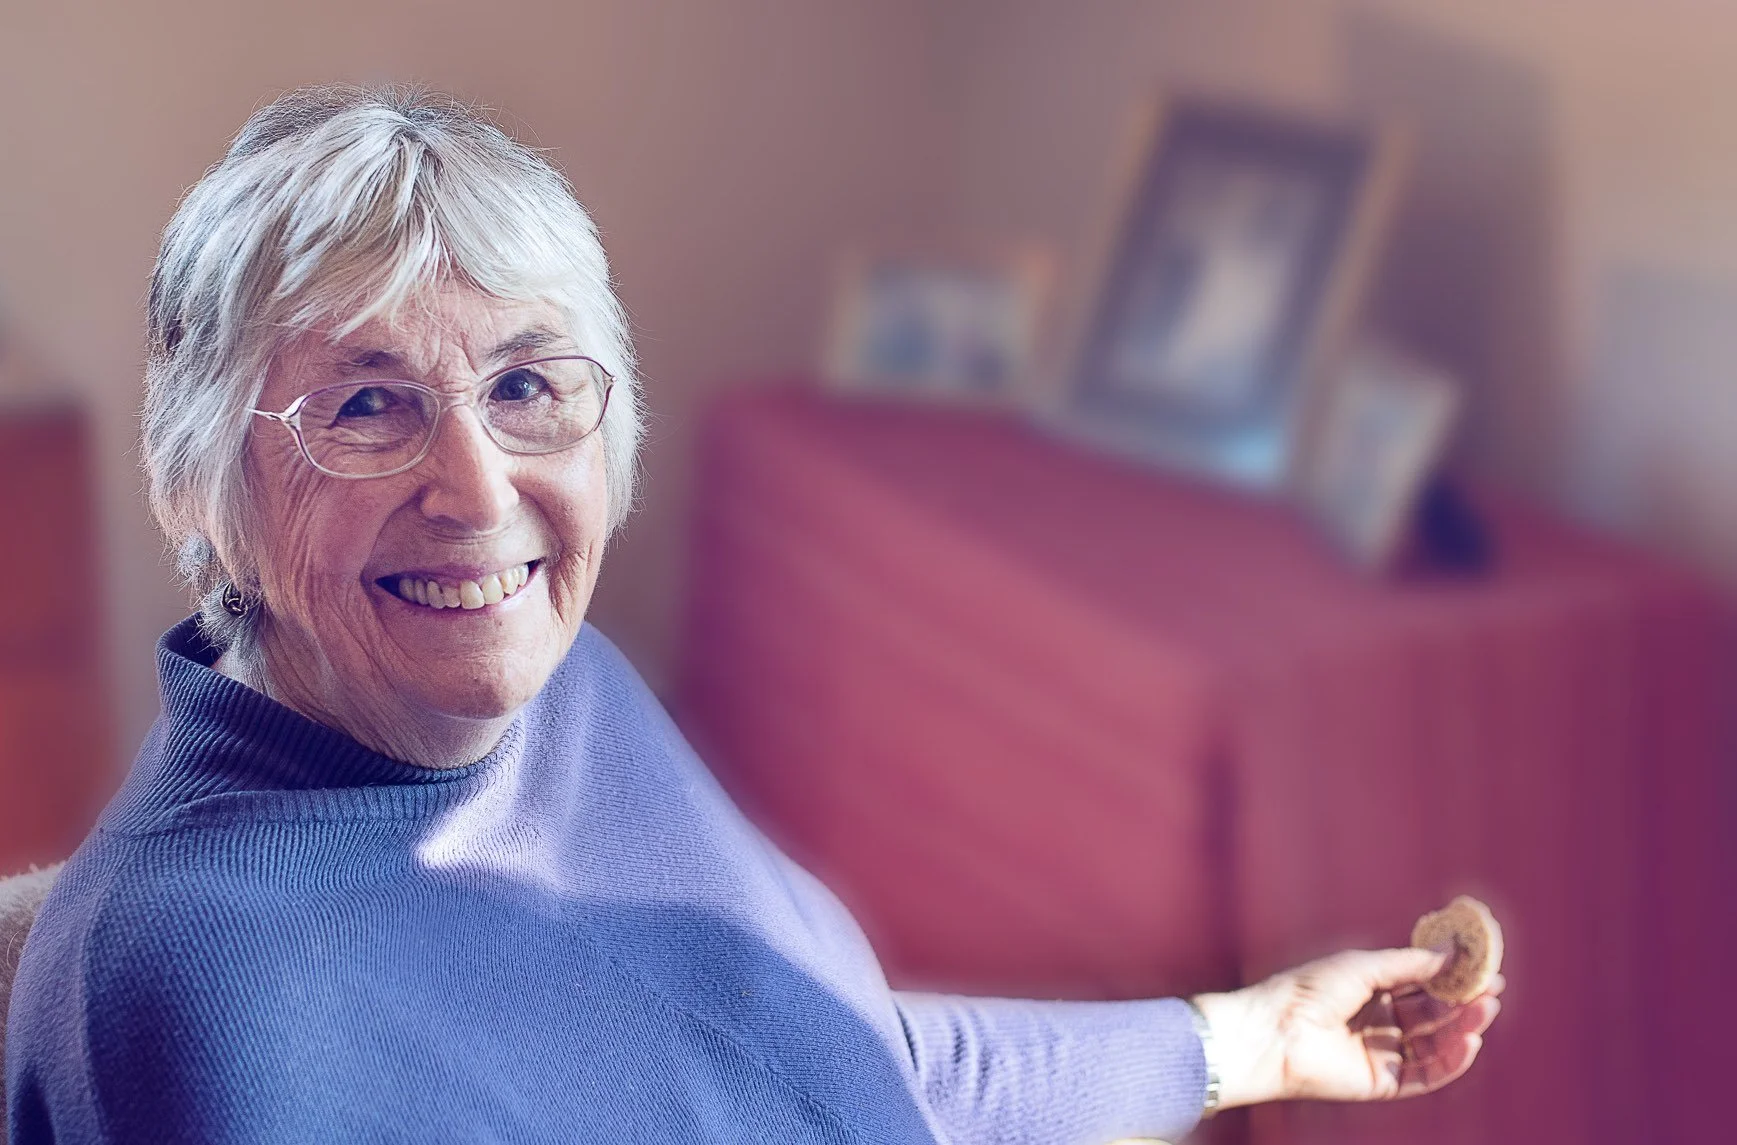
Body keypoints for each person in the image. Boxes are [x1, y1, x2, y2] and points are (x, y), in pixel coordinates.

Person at [3, 86, 1501, 1145]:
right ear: (199, 487)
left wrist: (1249, 1039)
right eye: (367, 408)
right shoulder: (192, 995)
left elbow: (833, 1060)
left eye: (525, 385)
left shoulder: (565, 703)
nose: (478, 490)